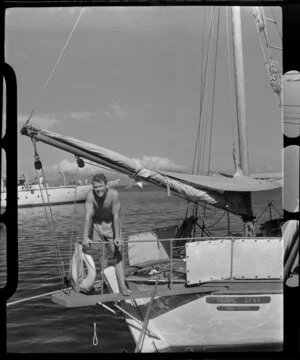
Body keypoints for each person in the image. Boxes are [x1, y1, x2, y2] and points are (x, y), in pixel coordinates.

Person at [82, 172, 131, 296]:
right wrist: (85, 237)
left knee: (118, 255)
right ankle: (105, 282)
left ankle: (123, 287)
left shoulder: (114, 195)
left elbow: (116, 217)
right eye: (96, 187)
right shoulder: (90, 195)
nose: (98, 189)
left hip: (111, 226)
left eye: (100, 186)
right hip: (97, 227)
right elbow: (88, 217)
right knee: (102, 255)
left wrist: (117, 237)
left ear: (106, 185)